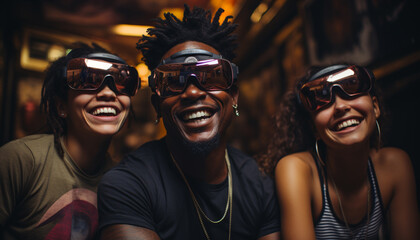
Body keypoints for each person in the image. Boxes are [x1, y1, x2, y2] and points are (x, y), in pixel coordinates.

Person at [97, 5, 281, 240]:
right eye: (174, 81)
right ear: (157, 106)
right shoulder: (127, 185)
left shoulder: (261, 183)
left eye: (210, 76)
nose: (192, 92)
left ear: (234, 96)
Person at [258, 64, 420, 239]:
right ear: (313, 128)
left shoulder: (395, 165)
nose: (340, 106)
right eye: (322, 98)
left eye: (351, 88)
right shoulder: (297, 170)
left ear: (375, 107)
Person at [0, 43, 140, 239]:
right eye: (89, 80)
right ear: (61, 107)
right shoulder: (21, 160)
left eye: (121, 83)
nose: (108, 93)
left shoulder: (123, 183)